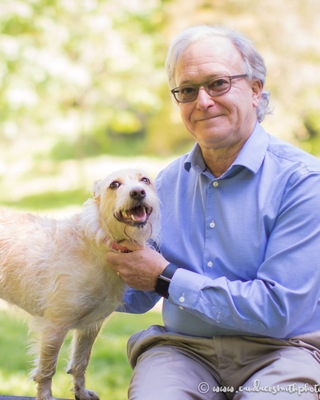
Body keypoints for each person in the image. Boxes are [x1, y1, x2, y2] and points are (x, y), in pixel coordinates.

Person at [105, 25, 320, 399]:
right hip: (184, 353)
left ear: (255, 89)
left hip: (283, 353)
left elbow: (277, 310)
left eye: (218, 83)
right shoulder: (165, 185)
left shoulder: (304, 182)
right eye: (187, 89)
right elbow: (138, 294)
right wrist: (82, 262)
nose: (202, 101)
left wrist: (166, 279)